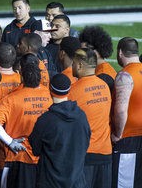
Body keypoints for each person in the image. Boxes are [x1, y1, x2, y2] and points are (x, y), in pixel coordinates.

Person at [0, 56, 53, 188]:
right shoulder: (48, 96)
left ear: (22, 77)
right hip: (42, 158)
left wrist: (10, 141)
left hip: (18, 157)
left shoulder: (12, 98)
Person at [29, 74, 90, 188]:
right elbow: (86, 143)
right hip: (77, 182)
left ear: (50, 90)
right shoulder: (81, 116)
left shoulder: (45, 120)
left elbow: (35, 150)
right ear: (68, 91)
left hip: (50, 182)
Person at [69, 48, 112, 188]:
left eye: (74, 63)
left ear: (80, 65)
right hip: (105, 153)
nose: (72, 66)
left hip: (84, 155)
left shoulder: (73, 91)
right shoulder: (105, 86)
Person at [112, 37, 142, 188]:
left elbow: (121, 110)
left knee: (124, 183)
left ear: (120, 53)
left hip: (128, 138)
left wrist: (117, 133)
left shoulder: (124, 75)